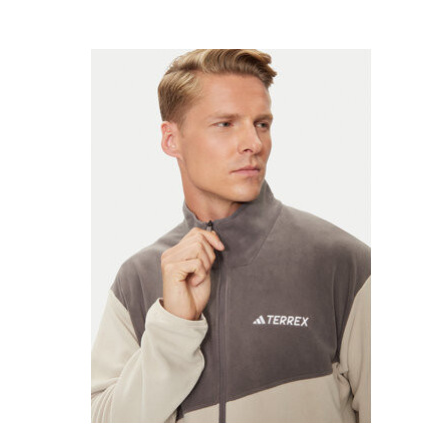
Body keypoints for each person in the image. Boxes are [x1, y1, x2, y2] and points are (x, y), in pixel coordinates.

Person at [91, 49, 371, 423]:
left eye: (262, 124)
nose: (253, 143)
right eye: (225, 124)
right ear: (172, 139)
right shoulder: (138, 277)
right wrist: (173, 327)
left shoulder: (342, 263)